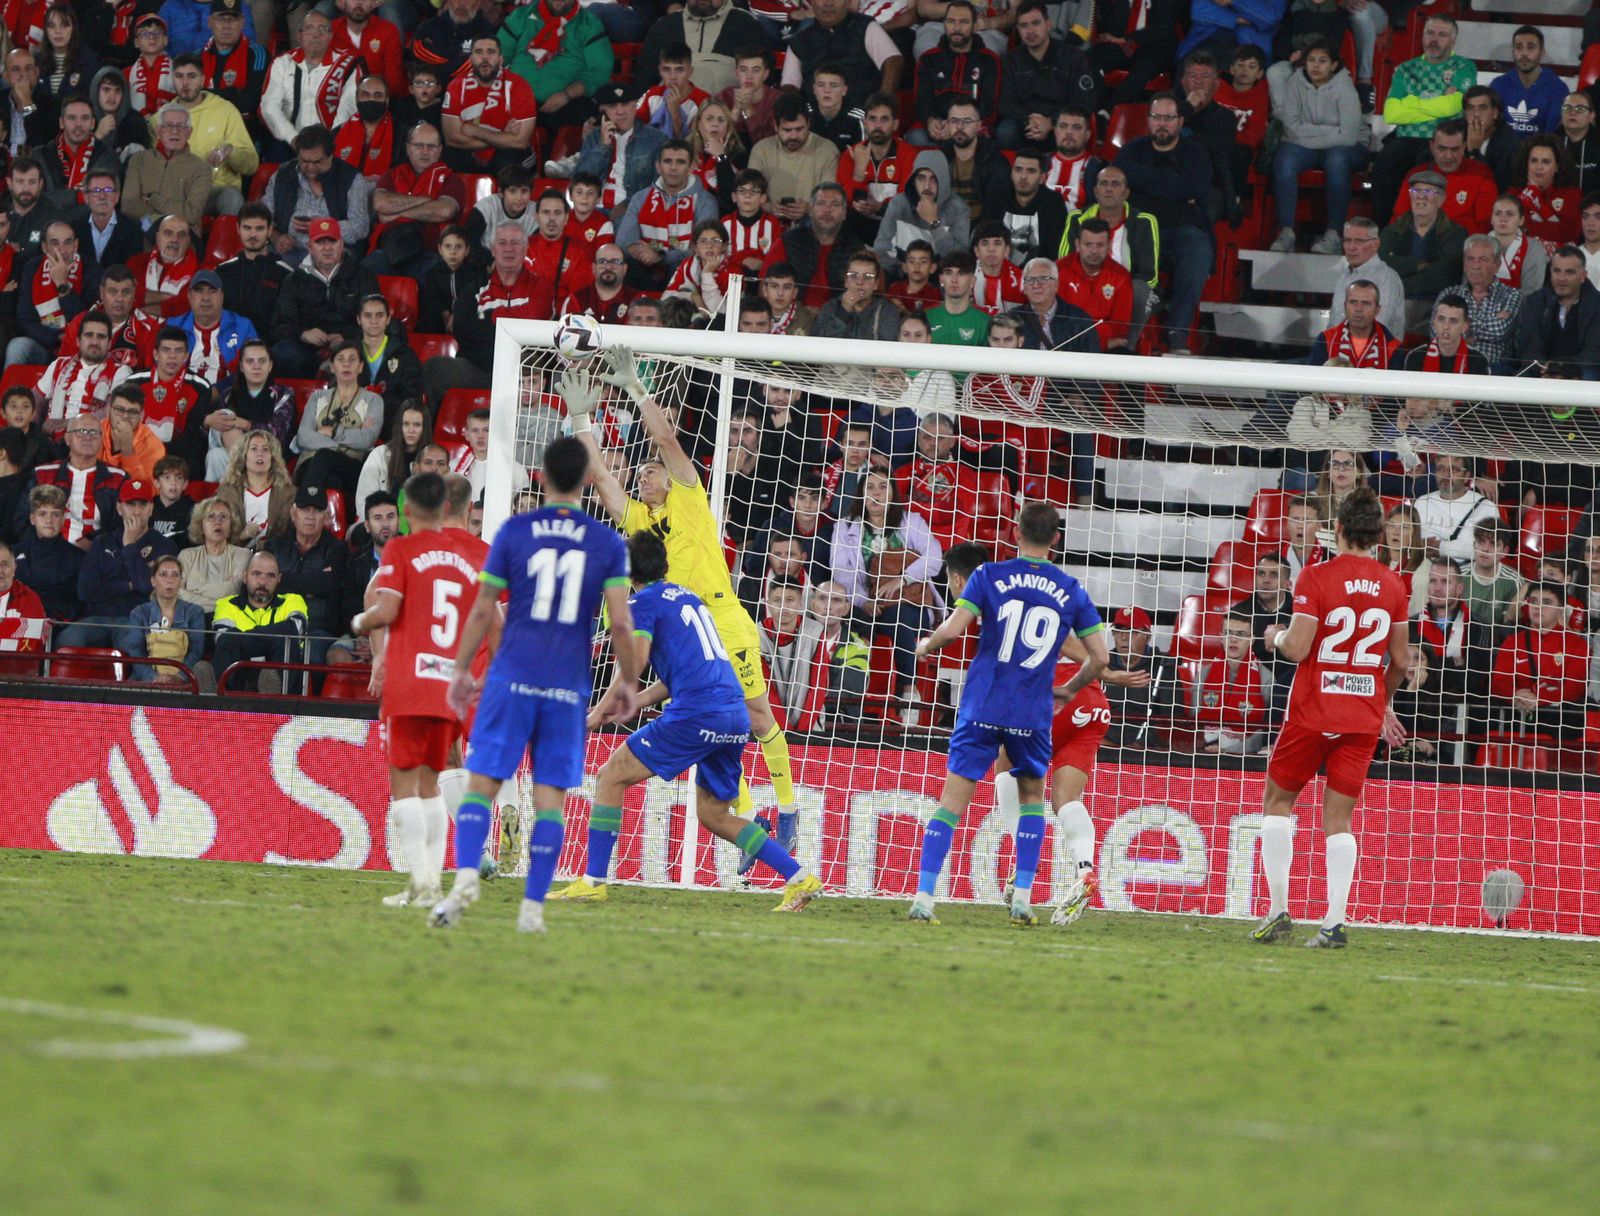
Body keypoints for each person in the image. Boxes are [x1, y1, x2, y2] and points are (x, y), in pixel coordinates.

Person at [574, 347, 806, 852]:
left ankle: (788, 812)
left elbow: (664, 437)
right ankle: (747, 817)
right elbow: (602, 478)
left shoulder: (689, 498)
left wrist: (635, 387)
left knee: (757, 718)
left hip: (721, 617)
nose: (643, 476)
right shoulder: (640, 523)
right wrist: (579, 418)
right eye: (642, 474)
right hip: (684, 633)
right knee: (714, 723)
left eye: (651, 471)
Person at [553, 528, 824, 910]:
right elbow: (679, 671)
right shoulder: (687, 597)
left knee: (610, 776)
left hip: (698, 710)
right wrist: (640, 701)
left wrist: (597, 713)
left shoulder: (643, 602)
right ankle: (800, 878)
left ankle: (593, 880)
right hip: (732, 712)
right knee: (714, 813)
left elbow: (638, 658)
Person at [429, 435, 636, 933]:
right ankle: (532, 909)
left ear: (540, 477)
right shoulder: (606, 542)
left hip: (512, 675)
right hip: (566, 684)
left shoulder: (515, 532)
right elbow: (622, 623)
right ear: (588, 480)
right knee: (550, 798)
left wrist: (460, 670)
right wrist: (628, 679)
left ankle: (460, 889)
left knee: (481, 785)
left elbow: (483, 609)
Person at [908, 501, 1107, 925]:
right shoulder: (1071, 588)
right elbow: (1100, 658)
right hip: (1031, 713)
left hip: (983, 703)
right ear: (1056, 539)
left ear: (1016, 533)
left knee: (951, 801)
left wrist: (926, 646)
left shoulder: (987, 575)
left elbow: (954, 630)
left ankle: (924, 897)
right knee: (1034, 797)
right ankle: (1022, 896)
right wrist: (1070, 688)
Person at [1250, 488, 1408, 949]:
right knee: (1340, 820)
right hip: (1360, 718)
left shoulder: (1316, 577)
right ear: (1379, 535)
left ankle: (1279, 911)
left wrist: (1276, 635)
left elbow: (1298, 648)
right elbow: (1399, 661)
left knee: (1278, 803)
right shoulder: (1394, 584)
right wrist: (1381, 702)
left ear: (1336, 528)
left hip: (1313, 711)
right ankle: (1334, 923)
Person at [346, 473, 478, 905]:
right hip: (446, 686)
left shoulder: (399, 548)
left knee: (404, 787)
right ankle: (432, 883)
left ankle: (422, 885)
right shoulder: (463, 556)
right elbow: (490, 620)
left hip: (408, 682)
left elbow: (385, 607)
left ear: (405, 510)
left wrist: (359, 623)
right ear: (445, 509)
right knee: (431, 784)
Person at [1116, 92, 1212, 351]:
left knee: (1198, 249)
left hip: (1180, 232)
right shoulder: (1133, 150)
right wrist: (1172, 183)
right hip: (1139, 231)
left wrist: (1144, 184)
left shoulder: (1195, 152)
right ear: (1148, 121)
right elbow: (1121, 176)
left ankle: (1177, 331)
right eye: (1157, 117)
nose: (1162, 123)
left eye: (1169, 118)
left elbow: (1196, 187)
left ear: (1181, 121)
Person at [1370, 13, 1476, 226]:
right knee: (1383, 166)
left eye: (1442, 34)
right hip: (1405, 138)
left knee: (1425, 170)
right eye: (1430, 33)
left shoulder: (1463, 67)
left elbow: (1453, 106)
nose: (1434, 39)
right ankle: (1385, 231)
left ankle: (1423, 231)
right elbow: (1392, 113)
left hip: (1443, 139)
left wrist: (1410, 103)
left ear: (1453, 40)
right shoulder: (1406, 69)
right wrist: (1439, 103)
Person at [1267, 40, 1366, 255]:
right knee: (1285, 160)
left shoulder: (1345, 89)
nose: (1315, 66)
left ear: (1333, 65)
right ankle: (1286, 232)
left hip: (1349, 147)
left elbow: (1348, 137)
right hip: (1313, 143)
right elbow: (1290, 126)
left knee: (1336, 160)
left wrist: (1305, 133)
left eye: (1322, 61)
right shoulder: (1295, 83)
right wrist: (1329, 132)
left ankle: (1334, 234)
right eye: (1311, 60)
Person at [55, 475, 178, 649]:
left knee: (130, 647)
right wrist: (129, 585)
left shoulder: (164, 546)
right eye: (130, 504)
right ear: (119, 508)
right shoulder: (102, 542)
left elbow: (146, 586)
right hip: (96, 618)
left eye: (142, 504)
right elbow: (85, 591)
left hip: (136, 619)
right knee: (66, 642)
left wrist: (129, 546)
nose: (136, 511)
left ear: (151, 508)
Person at [268, 217, 380, 377]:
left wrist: (346, 339)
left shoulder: (363, 277)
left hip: (351, 349)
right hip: (307, 352)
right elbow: (278, 325)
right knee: (283, 352)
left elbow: (375, 322)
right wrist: (303, 334)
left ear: (341, 244)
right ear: (310, 247)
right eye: (320, 242)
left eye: (332, 241)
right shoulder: (293, 281)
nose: (327, 248)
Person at [1490, 581, 1591, 744]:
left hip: (1557, 719)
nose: (1538, 607)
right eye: (1534, 601)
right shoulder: (1512, 641)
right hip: (1516, 713)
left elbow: (1575, 688)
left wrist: (1538, 699)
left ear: (1560, 609)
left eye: (1547, 602)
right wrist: (1516, 695)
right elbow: (1499, 683)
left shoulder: (1577, 644)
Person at [614, 138, 718, 290]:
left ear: (691, 168)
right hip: (644, 268)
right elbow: (623, 241)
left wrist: (660, 257)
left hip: (683, 272)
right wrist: (637, 249)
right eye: (667, 161)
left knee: (682, 266)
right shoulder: (641, 197)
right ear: (658, 166)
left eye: (680, 162)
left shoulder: (705, 201)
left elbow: (703, 248)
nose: (673, 168)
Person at [996, 0, 1097, 151]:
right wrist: (1029, 119)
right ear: (1017, 29)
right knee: (1005, 132)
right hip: (1027, 125)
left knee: (1072, 130)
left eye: (1036, 23)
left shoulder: (1073, 57)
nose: (1030, 31)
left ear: (1048, 24)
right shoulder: (1012, 59)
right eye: (1024, 26)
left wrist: (1051, 122)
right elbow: (1006, 103)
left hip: (1062, 123)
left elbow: (1084, 101)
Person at [265, 125, 374, 265]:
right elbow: (264, 216)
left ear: (331, 156)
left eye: (317, 162)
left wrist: (323, 227)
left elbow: (360, 227)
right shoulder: (283, 174)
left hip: (333, 253)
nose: (310, 167)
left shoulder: (352, 179)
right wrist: (276, 237)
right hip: (288, 252)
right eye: (304, 161)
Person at [259, 10, 358, 159]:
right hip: (289, 142)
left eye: (322, 29)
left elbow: (349, 107)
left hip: (333, 143)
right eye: (309, 28)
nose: (316, 34)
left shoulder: (348, 65)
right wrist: (293, 138)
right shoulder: (282, 63)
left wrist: (327, 142)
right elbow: (269, 107)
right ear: (299, 36)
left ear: (331, 35)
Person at [169, 51, 255, 215]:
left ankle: (229, 241)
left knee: (232, 197)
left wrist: (231, 152)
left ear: (203, 79)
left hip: (215, 192)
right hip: (177, 195)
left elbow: (251, 165)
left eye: (191, 76)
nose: (185, 82)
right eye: (179, 76)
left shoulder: (225, 110)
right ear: (173, 80)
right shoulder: (161, 117)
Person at [210, 549, 308, 691]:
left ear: (279, 579)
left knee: (287, 639)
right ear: (245, 576)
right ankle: (223, 700)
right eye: (256, 574)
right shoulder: (226, 604)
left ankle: (274, 694)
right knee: (228, 640)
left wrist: (244, 639)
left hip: (281, 675)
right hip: (240, 674)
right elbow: (221, 638)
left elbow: (296, 629)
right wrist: (271, 637)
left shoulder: (293, 600)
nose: (263, 582)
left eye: (270, 576)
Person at [294, 343, 383, 497]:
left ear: (361, 367)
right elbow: (303, 436)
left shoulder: (373, 400)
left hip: (350, 465)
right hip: (311, 463)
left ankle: (305, 506)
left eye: (352, 359)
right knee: (331, 480)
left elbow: (367, 439)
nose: (346, 364)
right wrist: (353, 435)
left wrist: (333, 432)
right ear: (332, 367)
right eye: (340, 359)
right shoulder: (317, 397)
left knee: (324, 456)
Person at [781, 0, 903, 110]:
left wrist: (882, 100)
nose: (828, 3)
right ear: (812, 3)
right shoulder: (800, 40)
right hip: (816, 116)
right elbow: (789, 84)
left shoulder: (865, 26)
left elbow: (893, 60)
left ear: (848, 2)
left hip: (862, 111)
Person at [440, 34, 535, 175]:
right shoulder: (456, 86)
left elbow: (519, 142)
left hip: (509, 154)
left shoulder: (519, 86)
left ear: (500, 59)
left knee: (508, 165)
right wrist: (502, 135)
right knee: (451, 158)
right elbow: (452, 139)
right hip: (471, 151)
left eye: (491, 52)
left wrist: (474, 131)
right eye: (479, 52)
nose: (485, 58)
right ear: (470, 59)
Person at [1392, 119, 1497, 234]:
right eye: (1442, 148)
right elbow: (1398, 219)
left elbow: (1487, 224)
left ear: (1464, 147)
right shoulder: (1416, 175)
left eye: (1455, 149)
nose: (1448, 156)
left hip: (1464, 246)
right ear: (1432, 147)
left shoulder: (1481, 174)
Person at [1379, 168, 1465, 303]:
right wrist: (1416, 266)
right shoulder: (1393, 231)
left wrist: (1398, 285)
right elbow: (1381, 264)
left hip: (1436, 304)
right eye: (1416, 190)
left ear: (1441, 200)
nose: (1421, 196)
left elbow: (1442, 276)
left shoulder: (1455, 234)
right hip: (1393, 301)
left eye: (1428, 191)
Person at [1513, 245, 1600, 376]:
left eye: (1569, 272)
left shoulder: (1597, 304)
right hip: (1542, 369)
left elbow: (1593, 351)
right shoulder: (1535, 301)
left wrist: (1564, 369)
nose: (1561, 278)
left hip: (1581, 370)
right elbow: (1530, 346)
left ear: (1583, 276)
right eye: (1556, 271)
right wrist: (1548, 369)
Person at [122, 104, 210, 233]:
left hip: (181, 236)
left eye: (180, 126)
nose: (174, 131)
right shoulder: (139, 160)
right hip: (141, 233)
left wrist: (152, 199)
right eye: (169, 125)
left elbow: (191, 214)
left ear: (189, 132)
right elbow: (128, 205)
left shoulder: (201, 168)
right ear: (158, 131)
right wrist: (158, 218)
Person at [1190, 613, 1269, 754]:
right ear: (1221, 637)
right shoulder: (1204, 674)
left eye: (1241, 634)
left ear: (1251, 640)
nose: (1233, 639)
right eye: (1228, 633)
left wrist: (1228, 751)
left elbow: (1264, 729)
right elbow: (1196, 720)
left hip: (1246, 757)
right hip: (1205, 752)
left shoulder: (1266, 678)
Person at [35, 310, 129, 427]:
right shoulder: (58, 365)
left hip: (92, 441)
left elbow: (111, 412)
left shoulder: (121, 372)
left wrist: (67, 424)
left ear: (109, 343)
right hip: (51, 440)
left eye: (101, 337)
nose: (94, 342)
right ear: (78, 341)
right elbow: (35, 401)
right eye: (89, 335)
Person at [1441, 234, 1521, 369]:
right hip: (1452, 365)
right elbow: (1437, 331)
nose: (1475, 266)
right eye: (1470, 259)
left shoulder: (1511, 295)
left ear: (1497, 265)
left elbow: (1500, 330)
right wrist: (1490, 321)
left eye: (1483, 259)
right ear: (1464, 264)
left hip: (1494, 369)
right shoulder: (1449, 293)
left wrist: (1459, 328)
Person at [121, 551, 204, 682]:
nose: (169, 580)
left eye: (175, 575)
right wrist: (153, 677)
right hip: (146, 678)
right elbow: (135, 651)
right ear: (153, 581)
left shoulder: (195, 612)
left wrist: (180, 677)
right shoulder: (139, 613)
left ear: (181, 582)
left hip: (185, 679)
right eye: (163, 574)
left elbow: (196, 651)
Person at [872, 159, 967, 273]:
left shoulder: (957, 208)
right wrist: (904, 270)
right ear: (913, 181)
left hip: (942, 278)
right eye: (921, 178)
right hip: (902, 277)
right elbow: (881, 249)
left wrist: (934, 223)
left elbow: (960, 260)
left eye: (934, 179)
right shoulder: (899, 204)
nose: (927, 186)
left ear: (944, 182)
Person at [215, 203, 292, 340]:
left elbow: (287, 322)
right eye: (247, 228)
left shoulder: (286, 274)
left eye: (259, 229)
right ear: (238, 229)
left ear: (270, 230)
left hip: (270, 347)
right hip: (228, 345)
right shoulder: (222, 272)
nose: (253, 234)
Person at [1087, 0, 1180, 109]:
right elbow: (1111, 27)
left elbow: (1164, 27)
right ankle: (1096, 109)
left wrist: (1131, 39)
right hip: (1121, 43)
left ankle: (1110, 111)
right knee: (1093, 58)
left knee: (1143, 68)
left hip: (1155, 45)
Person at [1055, 222, 1133, 351]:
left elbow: (1120, 326)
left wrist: (1088, 338)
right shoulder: (1059, 270)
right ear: (1077, 245)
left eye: (1100, 245)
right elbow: (1056, 323)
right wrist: (1103, 343)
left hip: (1104, 349)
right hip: (1066, 345)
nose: (1094, 251)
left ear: (1109, 246)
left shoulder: (1121, 276)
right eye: (1088, 244)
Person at [12, 484, 85, 622]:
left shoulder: (77, 557)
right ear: (32, 518)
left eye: (55, 514)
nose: (49, 520)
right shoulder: (14, 553)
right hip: (18, 621)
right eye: (42, 514)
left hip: (59, 627)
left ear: (63, 519)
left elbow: (80, 602)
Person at [1414, 452, 1499, 567]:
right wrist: (1420, 545)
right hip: (1425, 568)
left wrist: (1441, 548)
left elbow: (1487, 551)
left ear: (1467, 476)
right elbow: (1411, 540)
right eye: (1440, 469)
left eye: (1453, 470)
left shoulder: (1486, 508)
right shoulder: (1421, 502)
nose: (1446, 475)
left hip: (1468, 572)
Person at [171, 268, 255, 383]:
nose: (206, 298)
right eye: (199, 291)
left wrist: (219, 390)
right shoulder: (173, 327)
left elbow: (253, 371)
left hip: (229, 395)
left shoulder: (243, 327)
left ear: (221, 296)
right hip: (182, 394)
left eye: (212, 291)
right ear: (189, 296)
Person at [216, 427, 292, 545]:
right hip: (235, 555)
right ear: (243, 456)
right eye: (254, 449)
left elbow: (290, 534)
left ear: (273, 458)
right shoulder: (227, 492)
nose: (260, 454)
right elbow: (217, 533)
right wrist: (243, 535)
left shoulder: (288, 493)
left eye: (266, 449)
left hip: (275, 556)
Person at [178, 493, 250, 615]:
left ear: (231, 526)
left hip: (229, 619)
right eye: (211, 517)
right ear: (201, 526)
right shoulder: (186, 556)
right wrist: (222, 601)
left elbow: (232, 590)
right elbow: (177, 592)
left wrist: (193, 592)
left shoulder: (243, 555)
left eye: (223, 517)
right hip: (191, 618)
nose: (218, 522)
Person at [199, 0, 269, 123]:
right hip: (206, 125)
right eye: (220, 19)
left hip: (246, 127)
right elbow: (192, 99)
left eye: (232, 19)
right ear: (210, 22)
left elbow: (251, 102)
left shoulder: (258, 54)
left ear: (242, 23)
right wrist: (233, 92)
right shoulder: (197, 57)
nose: (227, 26)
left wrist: (208, 95)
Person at [1491, 25, 1566, 138]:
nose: (1524, 53)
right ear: (1513, 52)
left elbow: (1552, 135)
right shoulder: (1498, 85)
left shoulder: (1558, 89)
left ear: (1541, 52)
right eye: (1519, 47)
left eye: (1531, 47)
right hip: (1504, 153)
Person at [1513, 136, 1582, 254]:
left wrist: (1537, 203)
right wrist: (1552, 225)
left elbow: (1569, 233)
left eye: (1546, 162)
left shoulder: (1571, 194)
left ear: (1557, 166)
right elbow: (1512, 229)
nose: (1538, 167)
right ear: (1526, 164)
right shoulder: (1514, 194)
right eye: (1534, 161)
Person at [1308, 279, 1399, 368]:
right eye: (1353, 302)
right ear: (1345, 306)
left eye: (1366, 303)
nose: (1358, 309)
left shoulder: (1392, 346)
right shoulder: (1325, 340)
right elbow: (1313, 380)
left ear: (1377, 310)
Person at [97, 383, 167, 484]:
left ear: (142, 415)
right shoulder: (94, 432)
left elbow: (147, 490)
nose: (125, 416)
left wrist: (128, 451)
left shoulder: (153, 446)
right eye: (119, 409)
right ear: (108, 411)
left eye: (133, 412)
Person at [1490, 193, 1548, 298]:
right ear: (1491, 219)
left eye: (1510, 214)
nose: (1503, 219)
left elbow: (1532, 293)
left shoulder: (1534, 249)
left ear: (1521, 220)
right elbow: (1468, 285)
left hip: (1522, 310)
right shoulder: (1478, 245)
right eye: (1498, 214)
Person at [0, 538, 49, 654]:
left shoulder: (29, 599)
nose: (0, 571)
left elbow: (33, 645)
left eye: (4, 565)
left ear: (14, 569)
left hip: (14, 668)